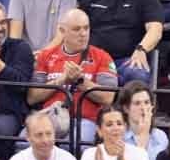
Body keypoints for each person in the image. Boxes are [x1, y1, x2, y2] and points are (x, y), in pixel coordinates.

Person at [28, 8, 117, 145]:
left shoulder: (102, 56)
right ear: (62, 31)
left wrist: (81, 80)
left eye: (86, 28)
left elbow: (108, 98)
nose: (83, 34)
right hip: (50, 117)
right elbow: (32, 97)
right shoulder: (46, 56)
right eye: (76, 29)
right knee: (23, 142)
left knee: (73, 145)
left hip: (86, 119)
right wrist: (62, 80)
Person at [81, 0, 163, 85]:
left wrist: (141, 49)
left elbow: (155, 30)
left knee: (137, 74)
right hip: (94, 61)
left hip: (127, 61)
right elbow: (71, 28)